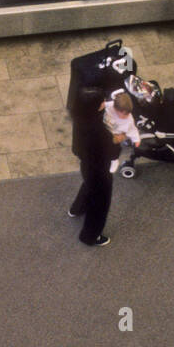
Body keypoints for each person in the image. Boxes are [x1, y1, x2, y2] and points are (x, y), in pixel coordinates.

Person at [67, 87, 119, 247]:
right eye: (101, 102)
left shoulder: (80, 116)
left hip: (87, 164)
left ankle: (77, 208)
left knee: (89, 185)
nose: (104, 103)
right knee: (100, 203)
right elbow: (112, 150)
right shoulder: (98, 131)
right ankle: (90, 235)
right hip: (100, 168)